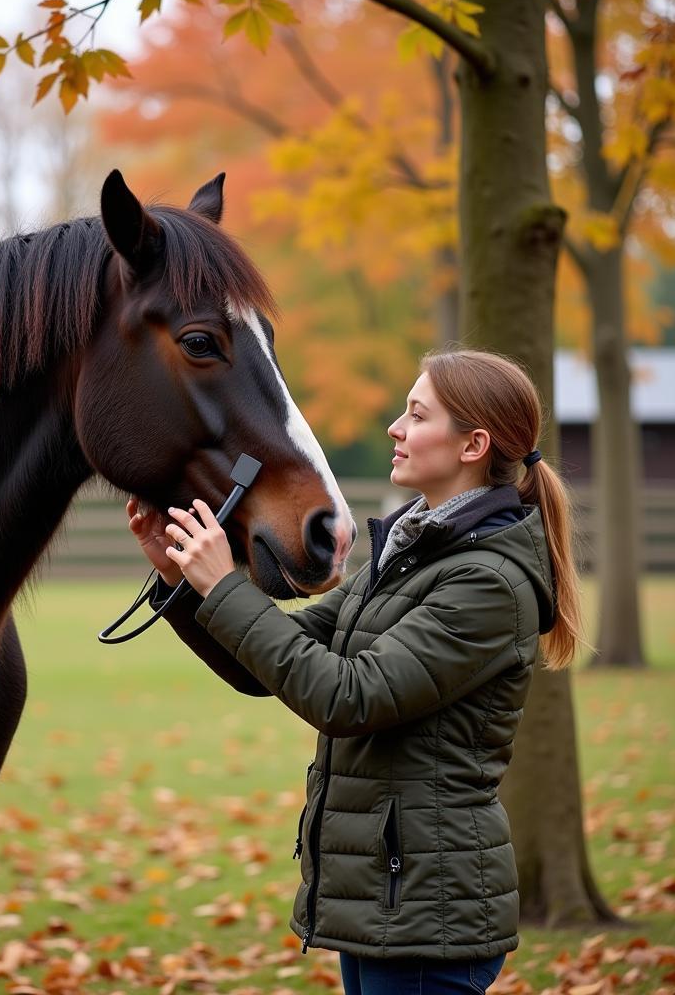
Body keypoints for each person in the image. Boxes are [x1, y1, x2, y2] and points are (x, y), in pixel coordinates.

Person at [125, 348, 580, 995]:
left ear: (473, 444)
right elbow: (274, 661)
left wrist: (224, 583)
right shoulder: (411, 551)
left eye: (417, 415)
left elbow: (348, 697)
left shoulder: (487, 584)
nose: (394, 428)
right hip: (383, 899)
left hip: (431, 914)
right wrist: (183, 581)